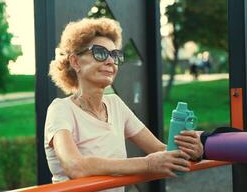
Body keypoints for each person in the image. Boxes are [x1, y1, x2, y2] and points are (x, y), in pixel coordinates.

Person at [44, 17, 203, 191]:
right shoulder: (61, 109)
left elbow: (160, 149)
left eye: (115, 55)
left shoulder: (115, 105)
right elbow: (75, 166)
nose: (111, 61)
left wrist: (192, 152)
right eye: (100, 53)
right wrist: (147, 164)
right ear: (75, 61)